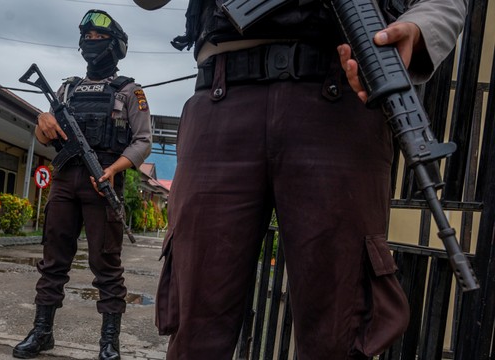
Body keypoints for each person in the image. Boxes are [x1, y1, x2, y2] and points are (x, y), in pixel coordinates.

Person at [132, 0, 467, 359]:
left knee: (338, 329)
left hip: (342, 95)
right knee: (195, 322)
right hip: (222, 91)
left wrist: (417, 29)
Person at [12, 9, 152, 360]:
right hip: (64, 179)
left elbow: (143, 141)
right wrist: (41, 121)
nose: (92, 44)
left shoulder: (129, 91)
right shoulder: (67, 88)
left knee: (106, 264)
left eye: (99, 39)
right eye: (87, 39)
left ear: (115, 46)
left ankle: (109, 343)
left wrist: (115, 169)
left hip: (103, 178)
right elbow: (47, 132)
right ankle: (42, 331)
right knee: (53, 259)